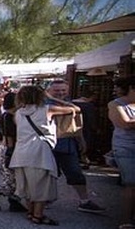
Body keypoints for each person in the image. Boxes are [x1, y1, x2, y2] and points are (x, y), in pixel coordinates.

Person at [9, 85, 80, 225]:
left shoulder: (18, 113)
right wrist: (52, 98)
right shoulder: (47, 110)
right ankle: (38, 215)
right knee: (41, 183)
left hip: (21, 151)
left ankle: (31, 212)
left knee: (27, 183)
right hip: (39, 150)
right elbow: (75, 109)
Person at [45, 80, 106, 214]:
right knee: (48, 174)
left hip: (67, 143)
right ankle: (44, 199)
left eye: (63, 90)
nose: (60, 93)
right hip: (48, 144)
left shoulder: (69, 103)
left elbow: (76, 125)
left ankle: (84, 201)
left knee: (75, 172)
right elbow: (75, 111)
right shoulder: (45, 105)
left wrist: (81, 140)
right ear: (49, 91)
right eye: (57, 90)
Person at [107, 76, 135, 229]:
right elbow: (123, 123)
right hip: (126, 148)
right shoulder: (116, 104)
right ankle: (126, 220)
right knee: (131, 183)